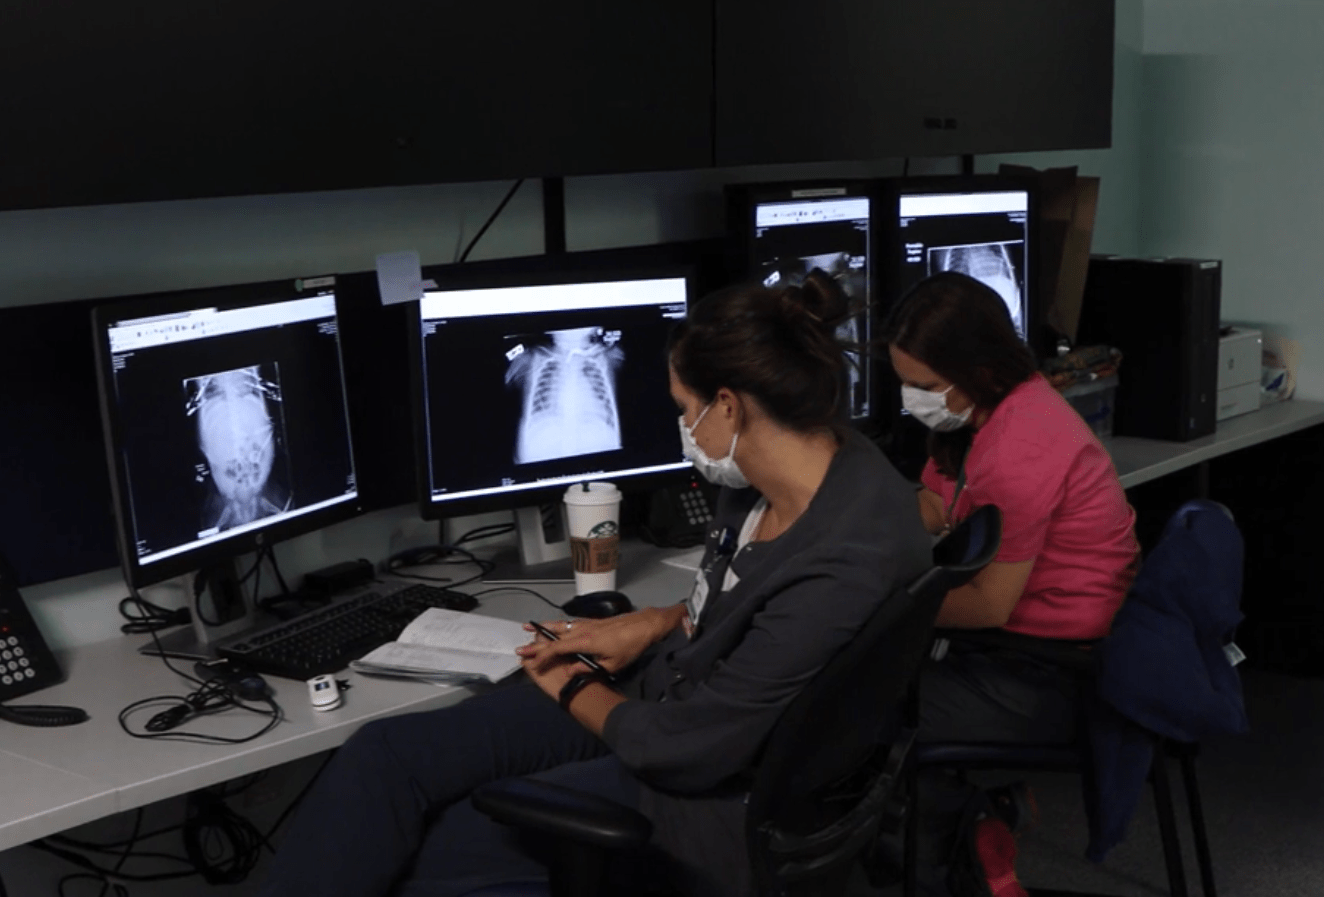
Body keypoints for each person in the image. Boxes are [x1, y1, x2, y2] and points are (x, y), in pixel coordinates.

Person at [256, 270, 932, 897]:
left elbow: (687, 749)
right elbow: (750, 604)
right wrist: (657, 620)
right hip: (667, 689)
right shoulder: (806, 470)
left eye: (684, 407)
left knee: (464, 835)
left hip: (708, 788)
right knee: (387, 755)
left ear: (728, 405)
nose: (684, 429)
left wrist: (574, 684)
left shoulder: (846, 554)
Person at [880, 271, 1140, 895]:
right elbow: (937, 503)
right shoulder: (999, 409)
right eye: (904, 384)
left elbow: (990, 604)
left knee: (859, 707)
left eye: (924, 386)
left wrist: (878, 606)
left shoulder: (1019, 448)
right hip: (1031, 650)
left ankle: (955, 853)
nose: (913, 399)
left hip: (1050, 674)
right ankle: (976, 818)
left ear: (976, 368)